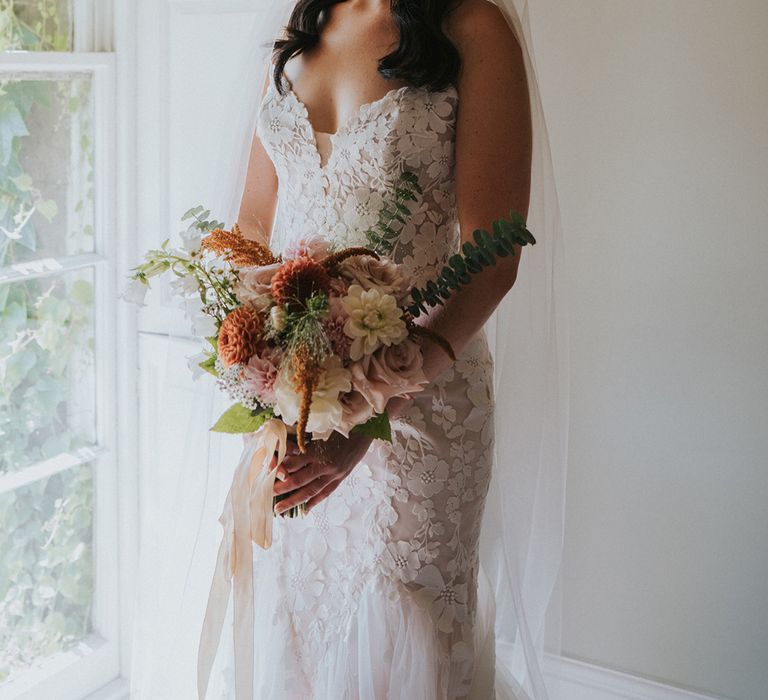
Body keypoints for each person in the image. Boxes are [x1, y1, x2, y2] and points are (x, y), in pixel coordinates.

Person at [231, 0, 532, 697]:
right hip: (299, 399)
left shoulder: (473, 29)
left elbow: (495, 252)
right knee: (303, 619)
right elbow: (250, 226)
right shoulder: (302, 26)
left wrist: (370, 409)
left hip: (423, 397)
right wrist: (264, 375)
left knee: (405, 626)